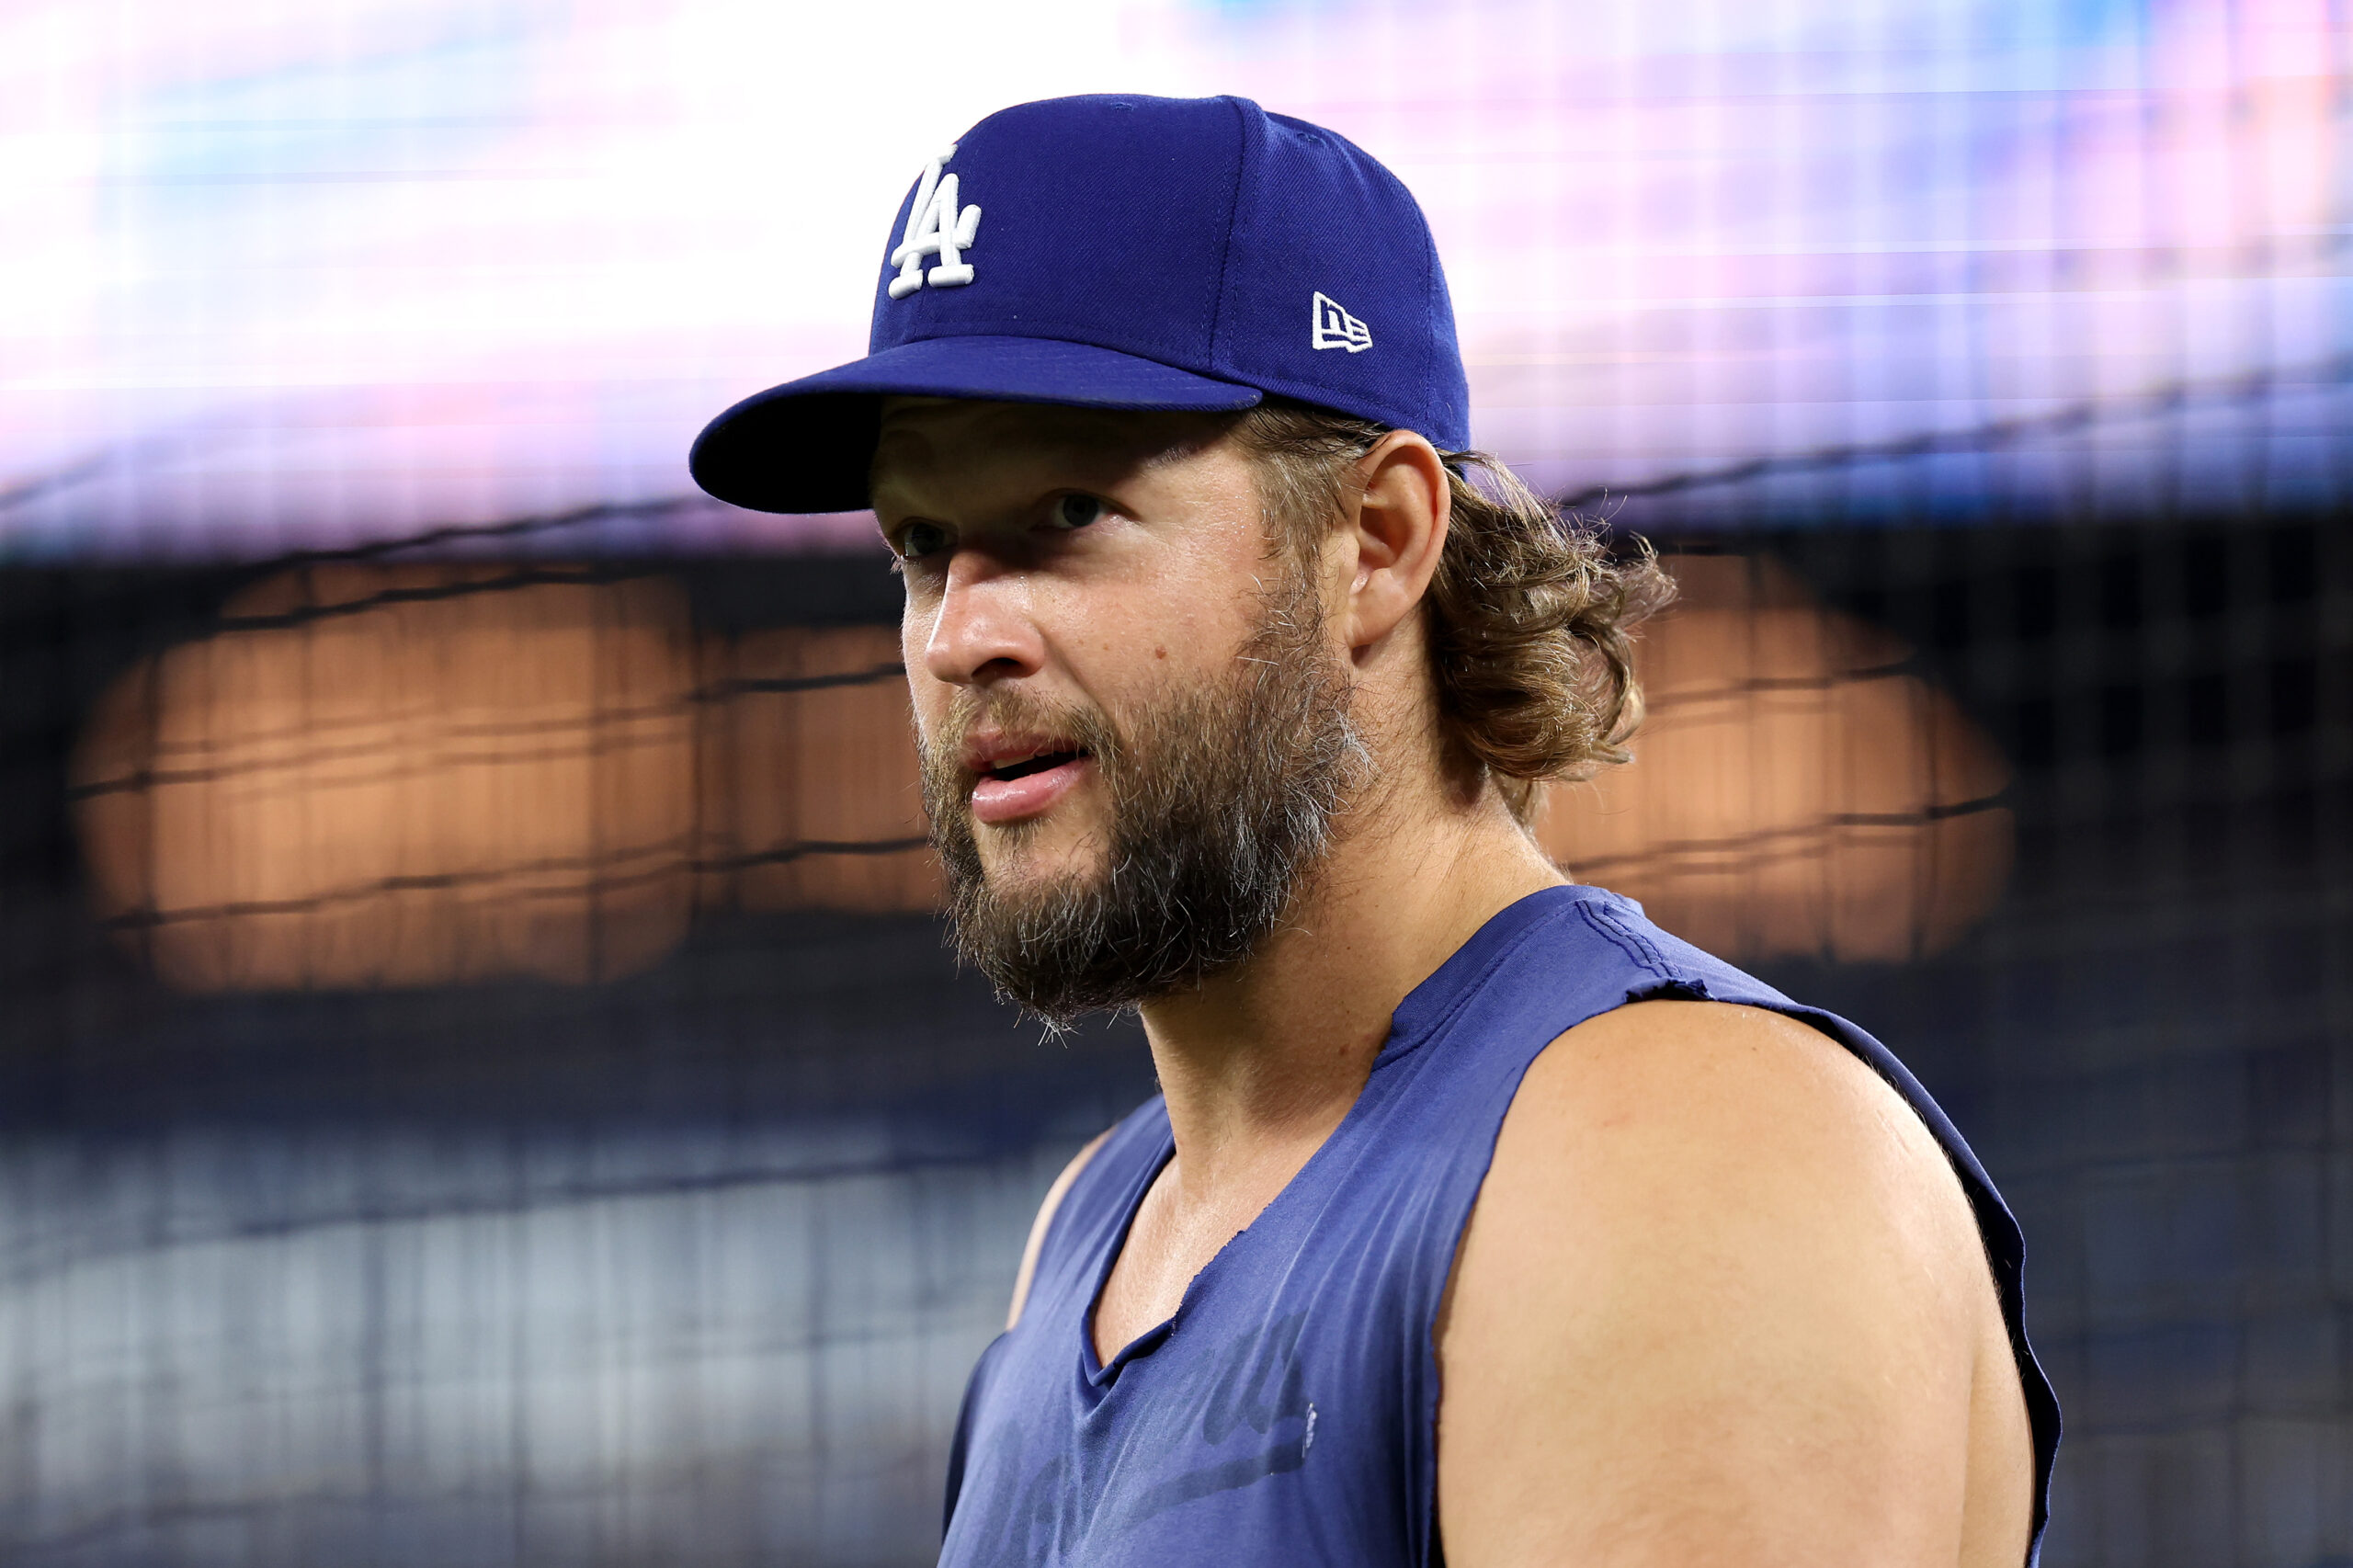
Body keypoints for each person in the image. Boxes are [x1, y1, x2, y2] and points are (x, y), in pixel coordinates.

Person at [691, 93, 2059, 1568]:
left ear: (1381, 542)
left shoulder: (1682, 1154)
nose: (959, 632)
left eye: (1068, 512)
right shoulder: (1091, 1231)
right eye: (920, 547)